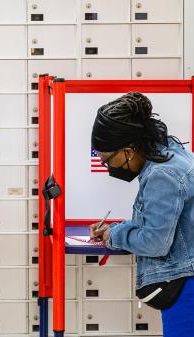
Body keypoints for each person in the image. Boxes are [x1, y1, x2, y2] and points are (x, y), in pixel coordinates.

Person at [89, 92, 194, 336]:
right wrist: (115, 229)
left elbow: (155, 242)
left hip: (186, 287)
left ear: (128, 150)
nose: (108, 168)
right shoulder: (169, 153)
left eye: (108, 160)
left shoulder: (162, 175)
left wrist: (113, 236)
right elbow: (168, 224)